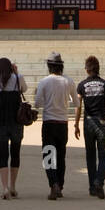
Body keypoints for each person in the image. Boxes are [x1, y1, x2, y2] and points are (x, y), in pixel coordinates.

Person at [34, 51, 77, 201]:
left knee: (48, 154)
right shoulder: (69, 81)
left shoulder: (44, 82)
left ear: (49, 66)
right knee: (61, 156)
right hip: (63, 122)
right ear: (61, 66)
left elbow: (37, 104)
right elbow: (76, 103)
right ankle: (60, 184)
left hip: (49, 122)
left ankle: (53, 184)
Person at [0, 57, 27, 199]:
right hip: (16, 121)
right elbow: (25, 89)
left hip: (1, 120)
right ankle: (13, 186)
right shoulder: (18, 78)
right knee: (15, 154)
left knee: (3, 154)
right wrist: (16, 72)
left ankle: (4, 188)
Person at [74, 56, 105, 199]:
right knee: (104, 156)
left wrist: (76, 124)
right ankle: (99, 182)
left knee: (90, 156)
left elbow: (78, 107)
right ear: (98, 69)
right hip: (102, 122)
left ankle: (92, 186)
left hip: (88, 122)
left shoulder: (82, 85)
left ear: (87, 69)